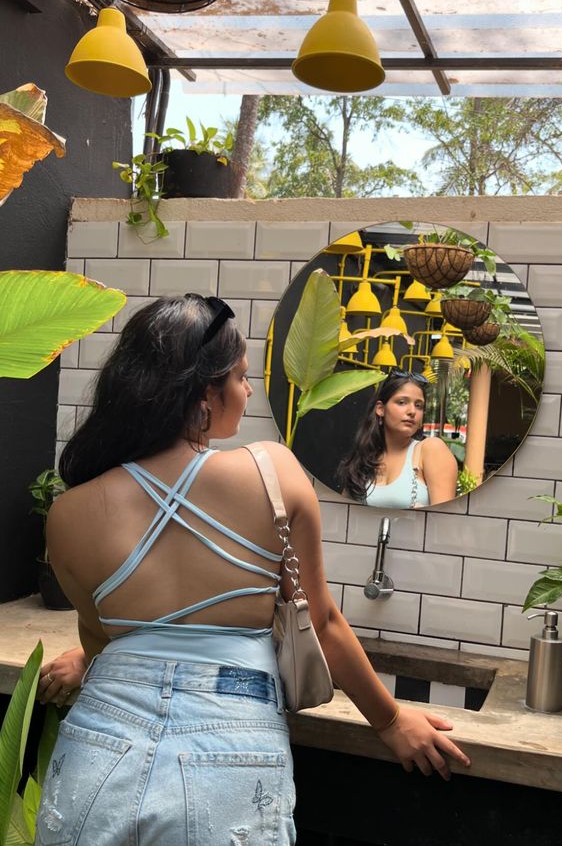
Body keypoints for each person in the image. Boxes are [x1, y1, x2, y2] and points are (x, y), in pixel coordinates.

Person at [34, 294, 469, 846]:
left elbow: (101, 639)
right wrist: (389, 722)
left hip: (97, 748)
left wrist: (106, 660)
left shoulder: (70, 512)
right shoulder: (272, 472)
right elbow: (324, 623)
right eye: (239, 376)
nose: (246, 390)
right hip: (228, 752)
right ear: (203, 393)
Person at [336, 370, 458, 508]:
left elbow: (445, 522)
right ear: (380, 409)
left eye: (419, 405)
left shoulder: (431, 449)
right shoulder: (364, 459)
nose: (412, 411)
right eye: (402, 402)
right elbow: (343, 515)